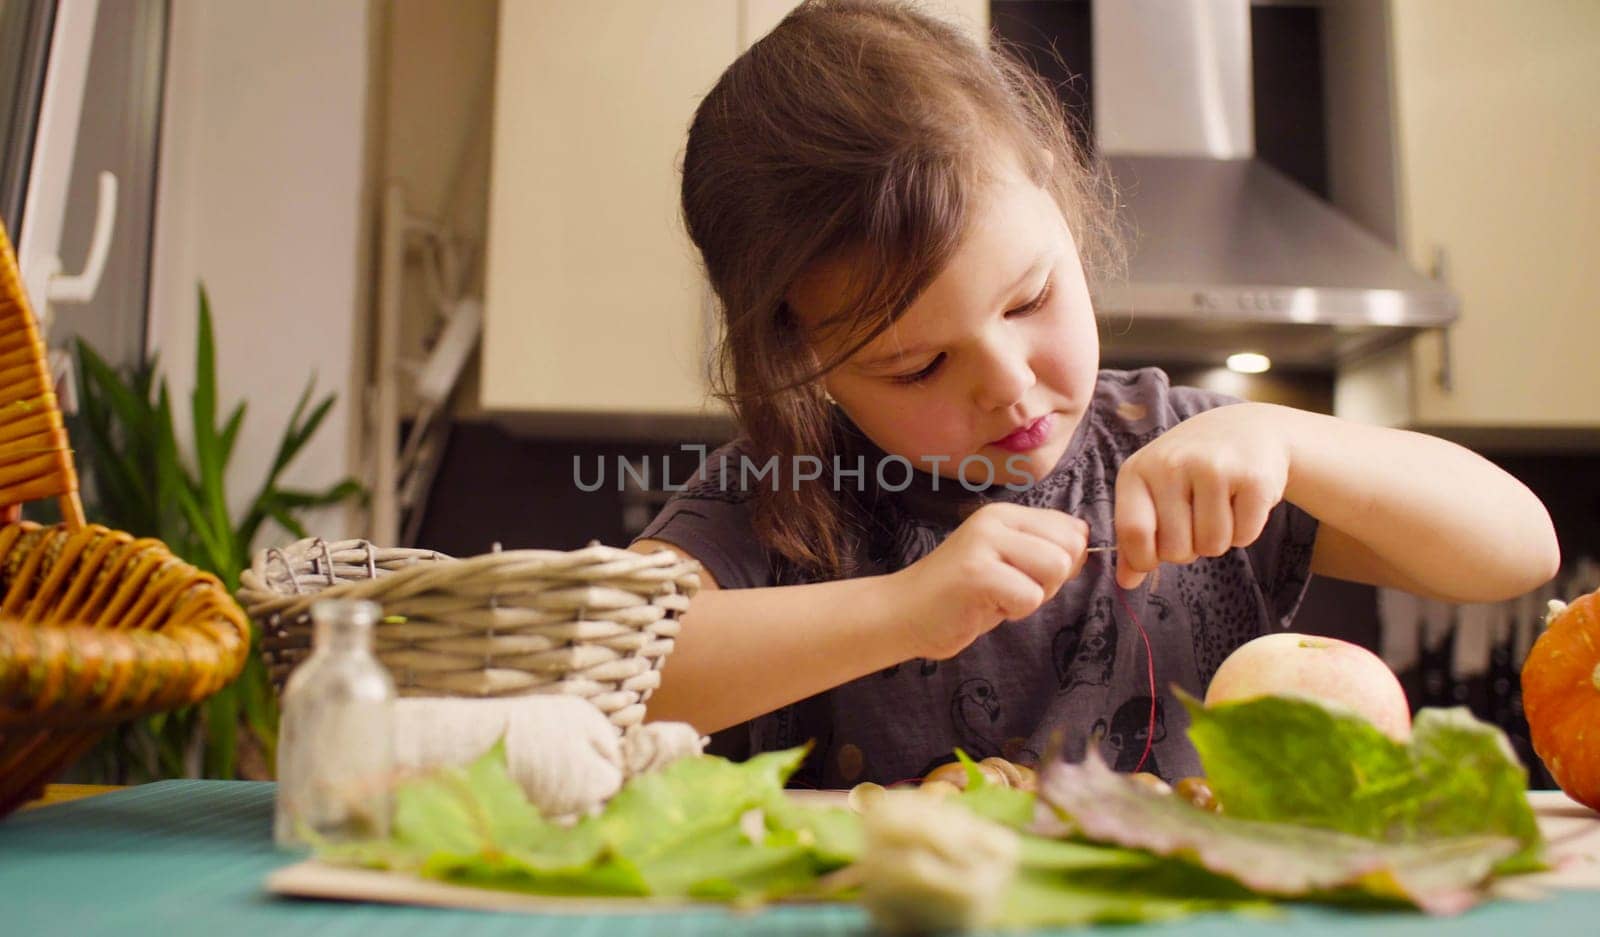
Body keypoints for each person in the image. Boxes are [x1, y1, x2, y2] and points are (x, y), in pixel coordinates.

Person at [627, 0, 1559, 786]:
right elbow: (622, 674)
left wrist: (1286, 439)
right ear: (803, 358)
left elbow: (1517, 551)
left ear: (1067, 213)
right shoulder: (781, 491)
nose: (1009, 381)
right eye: (918, 366)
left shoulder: (1178, 448)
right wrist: (904, 608)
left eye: (1030, 298)